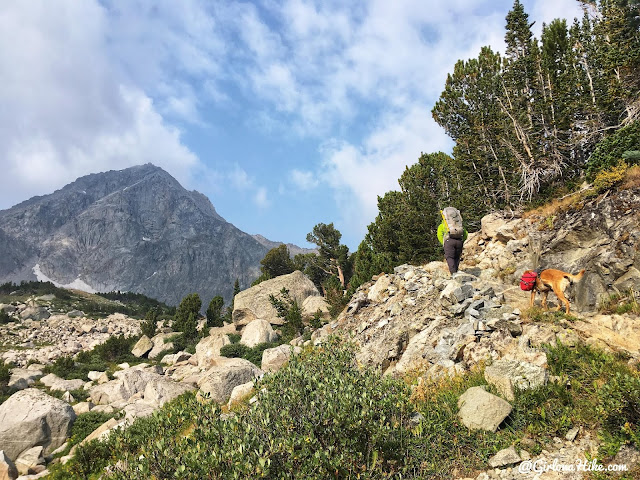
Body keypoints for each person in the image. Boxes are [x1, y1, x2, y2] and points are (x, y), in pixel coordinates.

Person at [437, 208, 468, 274]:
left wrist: (443, 243)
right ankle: (456, 271)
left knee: (450, 257)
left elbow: (439, 235)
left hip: (449, 241)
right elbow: (465, 233)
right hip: (459, 241)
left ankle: (453, 273)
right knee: (457, 257)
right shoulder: (459, 225)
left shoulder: (443, 225)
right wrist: (462, 240)